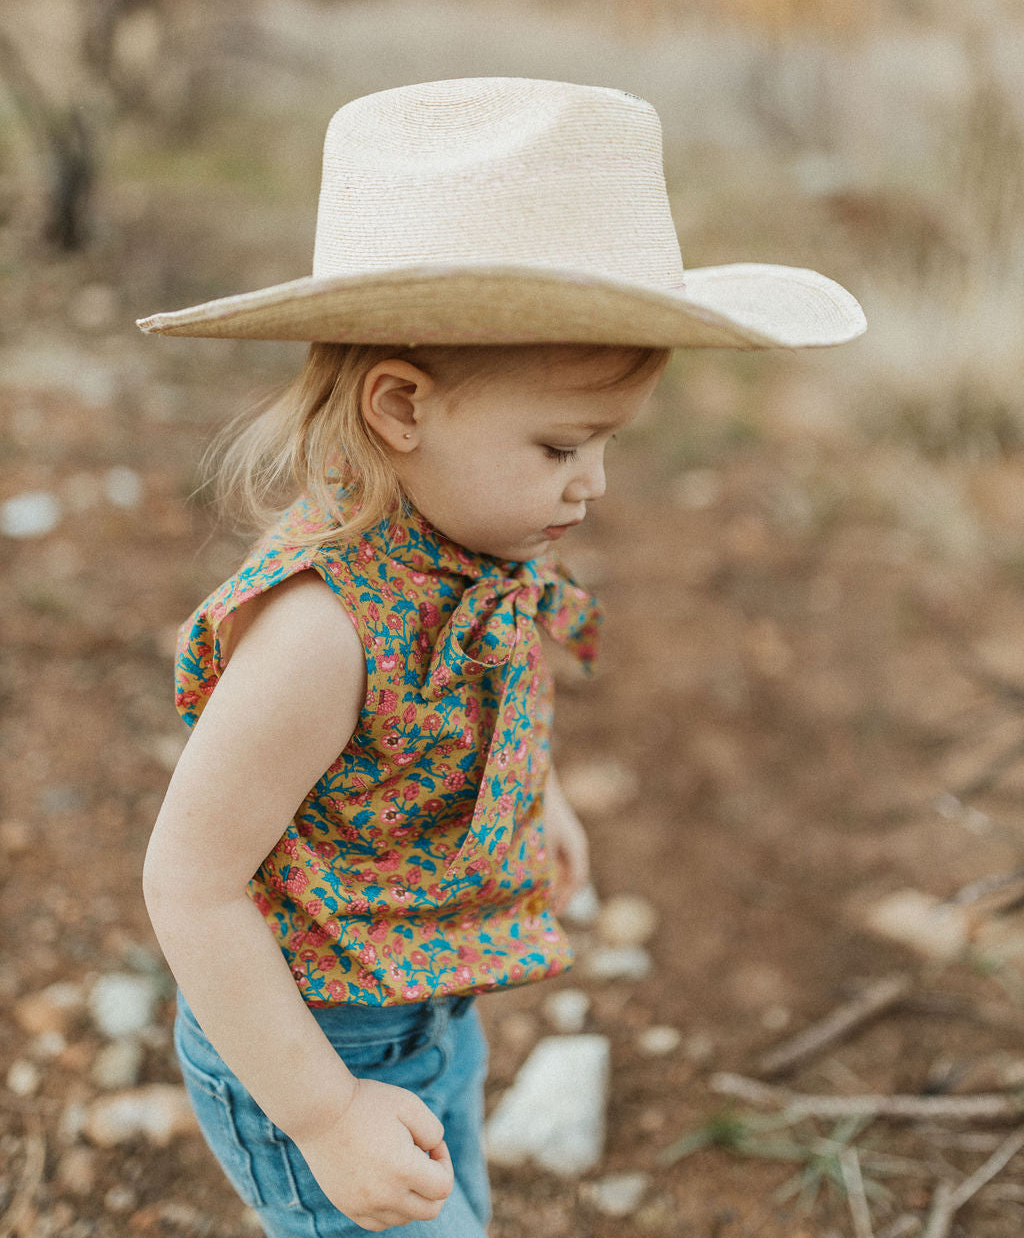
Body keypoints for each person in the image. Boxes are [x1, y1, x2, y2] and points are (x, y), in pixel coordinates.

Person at [137, 77, 865, 1237]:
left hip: (429, 1013)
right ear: (400, 408)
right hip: (307, 1038)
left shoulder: (477, 548)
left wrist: (543, 799)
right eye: (561, 445)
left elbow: (496, 694)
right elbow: (189, 882)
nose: (595, 483)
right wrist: (325, 1117)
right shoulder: (323, 635)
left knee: (456, 1206)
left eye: (607, 445)